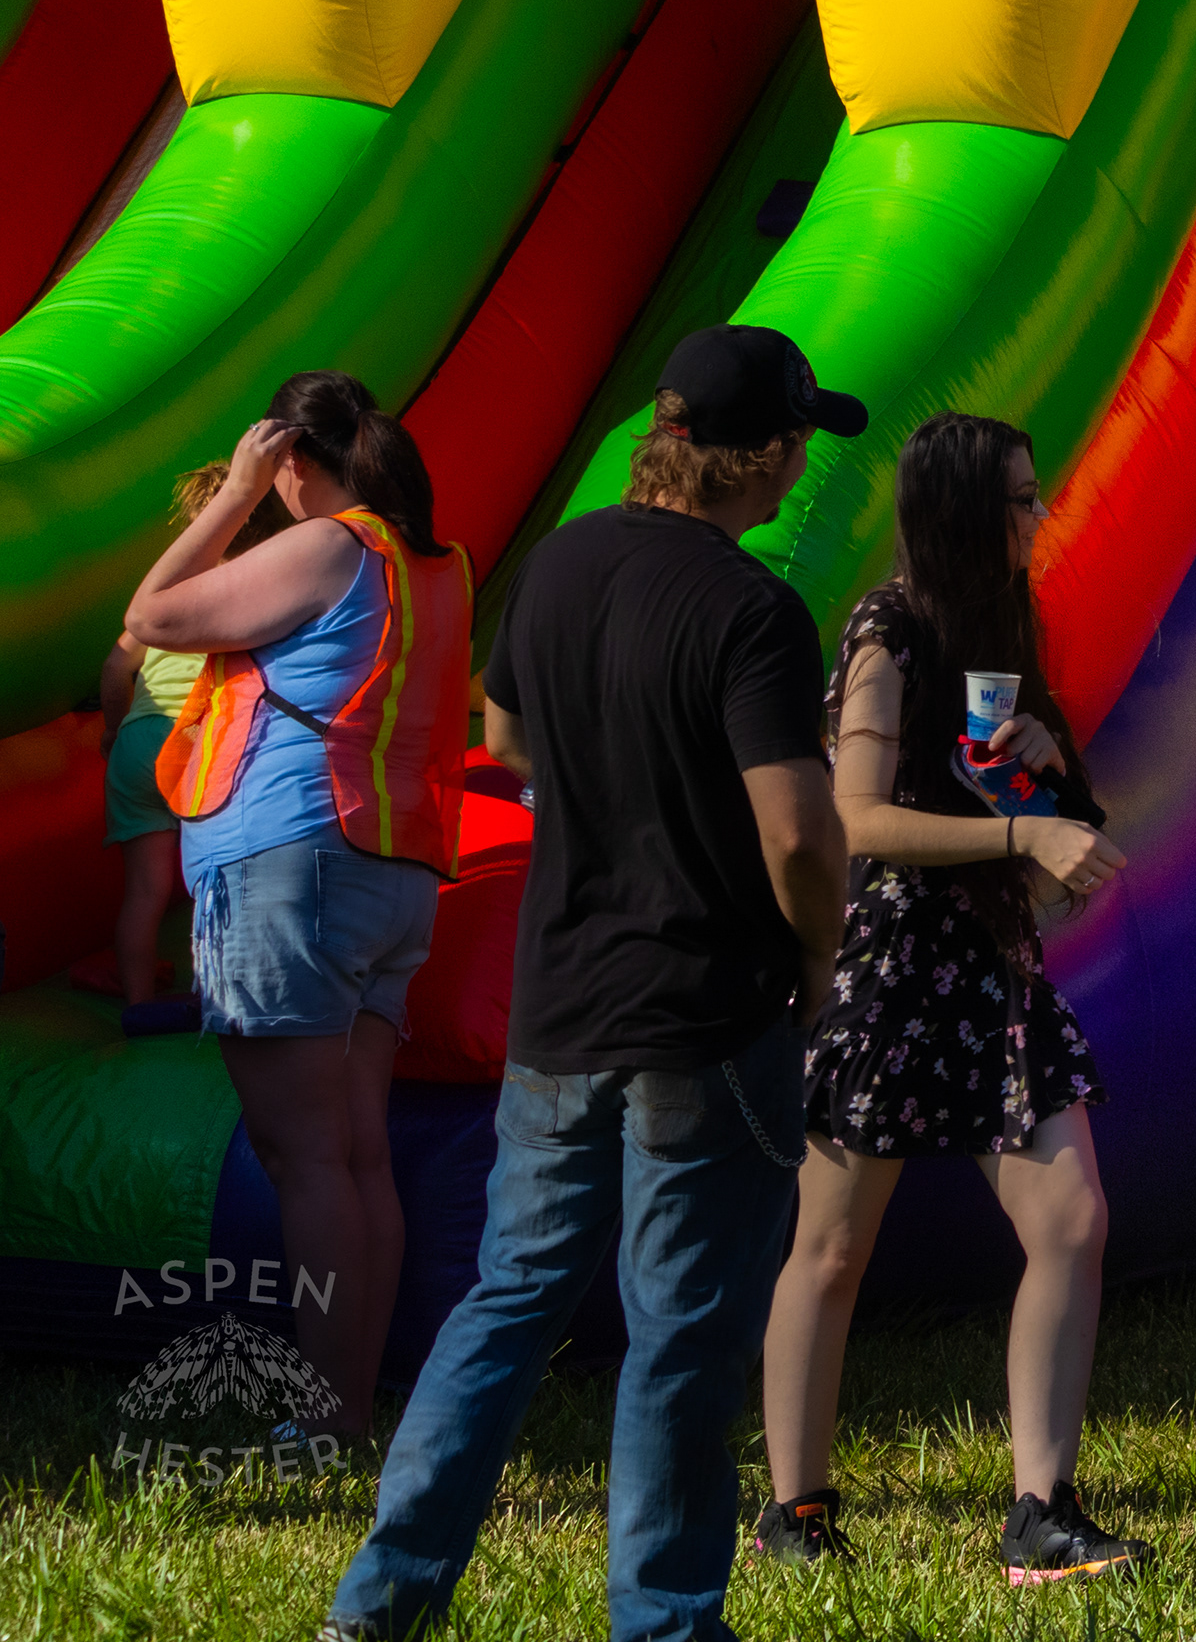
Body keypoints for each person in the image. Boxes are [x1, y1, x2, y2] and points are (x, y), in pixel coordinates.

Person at [326, 327, 856, 1642]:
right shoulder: (752, 611)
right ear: (765, 455)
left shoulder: (562, 565)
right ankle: (666, 1623)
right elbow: (796, 830)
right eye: (795, 446)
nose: (799, 470)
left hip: (559, 1004)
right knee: (680, 1329)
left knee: (509, 1301)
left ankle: (378, 1605)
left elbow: (505, 734)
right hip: (705, 1014)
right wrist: (817, 957)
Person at [756, 411, 1144, 1584]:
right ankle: (796, 1511)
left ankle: (1042, 1508)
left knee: (1071, 1223)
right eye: (1020, 496)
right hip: (894, 976)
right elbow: (856, 817)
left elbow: (1037, 821)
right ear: (966, 507)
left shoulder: (999, 629)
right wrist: (1026, 824)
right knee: (829, 1251)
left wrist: (1041, 768)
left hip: (989, 967)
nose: (1038, 513)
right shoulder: (889, 634)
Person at [123, 375, 468, 1442]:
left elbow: (152, 617)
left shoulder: (331, 546)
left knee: (311, 1157)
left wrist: (228, 497)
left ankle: (325, 1418)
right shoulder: (434, 563)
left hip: (291, 866)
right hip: (387, 874)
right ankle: (349, 1409)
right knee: (356, 1152)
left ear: (290, 457)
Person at [98, 461, 297, 1035]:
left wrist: (114, 732)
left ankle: (136, 1003)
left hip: (137, 741)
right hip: (196, 739)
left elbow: (117, 666)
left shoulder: (173, 584)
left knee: (145, 889)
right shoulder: (255, 585)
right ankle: (210, 997)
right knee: (210, 882)